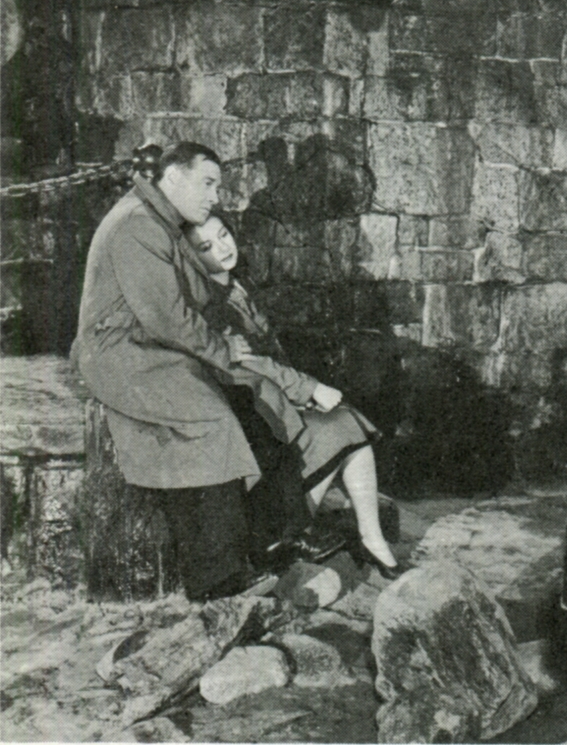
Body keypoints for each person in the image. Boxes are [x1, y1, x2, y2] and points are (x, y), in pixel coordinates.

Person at [72, 142, 263, 601]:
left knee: (241, 400)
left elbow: (188, 298)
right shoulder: (138, 225)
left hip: (146, 345)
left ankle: (249, 551)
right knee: (212, 421)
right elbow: (166, 315)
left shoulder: (158, 219)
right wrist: (223, 350)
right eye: (208, 183)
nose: (215, 196)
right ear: (173, 178)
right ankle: (216, 577)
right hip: (119, 351)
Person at [185, 212, 407, 578]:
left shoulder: (237, 285)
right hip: (255, 412)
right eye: (205, 247)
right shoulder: (210, 303)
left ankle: (371, 538)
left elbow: (270, 353)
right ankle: (288, 538)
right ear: (191, 258)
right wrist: (306, 388)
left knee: (347, 423)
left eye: (224, 235)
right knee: (339, 426)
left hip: (275, 399)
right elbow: (251, 362)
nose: (222, 248)